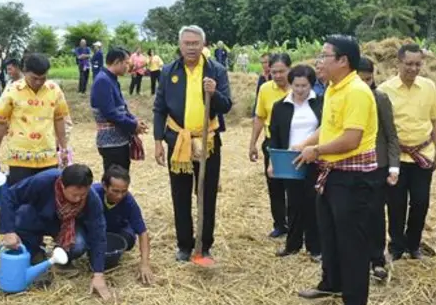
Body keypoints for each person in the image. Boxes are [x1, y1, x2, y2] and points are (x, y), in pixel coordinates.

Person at [294, 35, 378, 305]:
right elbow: (329, 129)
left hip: (352, 177)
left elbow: (351, 139)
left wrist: (315, 150)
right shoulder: (333, 88)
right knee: (329, 232)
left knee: (351, 240)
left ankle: (354, 304)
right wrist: (304, 143)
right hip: (331, 173)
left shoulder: (356, 91)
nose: (320, 61)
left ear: (343, 60)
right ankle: (331, 283)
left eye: (325, 56)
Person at [153, 25, 232, 262]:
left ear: (203, 45)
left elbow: (226, 105)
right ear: (180, 45)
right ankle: (184, 245)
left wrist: (214, 92)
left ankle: (204, 245)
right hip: (178, 140)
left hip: (208, 140)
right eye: (186, 43)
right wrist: (158, 141)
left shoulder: (216, 70)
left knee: (207, 193)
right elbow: (159, 109)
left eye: (195, 43)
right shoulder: (169, 72)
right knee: (180, 193)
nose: (190, 47)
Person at [0, 165, 113, 300]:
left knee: (79, 244)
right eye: (74, 194)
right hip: (38, 217)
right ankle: (36, 254)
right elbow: (10, 196)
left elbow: (98, 234)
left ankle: (60, 260)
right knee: (21, 217)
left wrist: (98, 274)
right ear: (62, 185)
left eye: (83, 195)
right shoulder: (43, 181)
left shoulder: (92, 199)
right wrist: (9, 231)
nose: (78, 199)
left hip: (66, 226)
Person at [378, 43, 436, 260]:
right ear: (398, 63)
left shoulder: (429, 87)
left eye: (417, 64)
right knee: (395, 204)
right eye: (408, 64)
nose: (413, 68)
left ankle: (413, 244)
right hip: (396, 158)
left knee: (420, 201)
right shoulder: (384, 90)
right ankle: (396, 246)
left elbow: (435, 120)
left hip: (423, 155)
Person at [267, 64, 322, 259]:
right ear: (291, 85)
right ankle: (292, 244)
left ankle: (315, 248)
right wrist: (272, 161)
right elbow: (273, 136)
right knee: (294, 203)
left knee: (313, 202)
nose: (300, 90)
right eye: (296, 86)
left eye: (304, 86)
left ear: (312, 85)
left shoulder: (321, 103)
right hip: (290, 159)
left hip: (315, 158)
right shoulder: (280, 106)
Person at [0, 53, 70, 186]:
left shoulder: (54, 90)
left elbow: (59, 119)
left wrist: (64, 149)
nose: (39, 82)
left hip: (48, 157)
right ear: (24, 72)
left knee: (46, 199)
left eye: (43, 78)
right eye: (34, 78)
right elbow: (1, 124)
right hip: (20, 158)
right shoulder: (12, 91)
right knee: (21, 199)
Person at [357, 57, 400, 281]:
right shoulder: (347, 98)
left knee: (375, 213)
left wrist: (394, 166)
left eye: (368, 79)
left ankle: (377, 260)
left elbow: (391, 135)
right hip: (353, 164)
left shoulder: (380, 98)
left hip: (377, 165)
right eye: (360, 79)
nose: (365, 83)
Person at [250, 53, 292, 238]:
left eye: (281, 71)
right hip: (272, 143)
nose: (278, 75)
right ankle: (279, 224)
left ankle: (297, 224)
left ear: (289, 69)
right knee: (274, 186)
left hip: (295, 144)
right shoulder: (265, 89)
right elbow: (259, 117)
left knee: (294, 188)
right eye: (274, 72)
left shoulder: (299, 87)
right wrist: (252, 143)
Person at [92, 165, 154, 284]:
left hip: (117, 230)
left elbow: (142, 232)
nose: (120, 196)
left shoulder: (128, 201)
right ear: (104, 186)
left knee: (129, 239)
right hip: (94, 230)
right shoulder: (93, 194)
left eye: (124, 191)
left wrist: (145, 264)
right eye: (115, 191)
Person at [90, 48, 147, 173]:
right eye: (126, 63)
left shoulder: (110, 79)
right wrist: (133, 125)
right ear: (117, 62)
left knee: (121, 176)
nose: (128, 66)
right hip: (111, 142)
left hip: (119, 140)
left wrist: (134, 120)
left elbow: (121, 108)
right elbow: (111, 113)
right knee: (115, 179)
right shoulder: (103, 81)